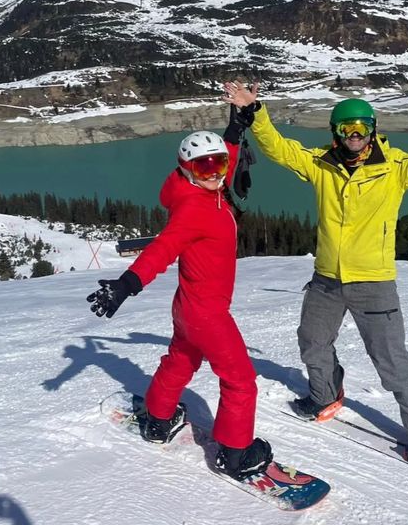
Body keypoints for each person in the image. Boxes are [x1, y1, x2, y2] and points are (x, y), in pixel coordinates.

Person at [222, 81, 408, 468]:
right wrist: (256, 113)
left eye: (361, 127)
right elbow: (280, 149)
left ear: (372, 130)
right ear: (335, 132)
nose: (354, 135)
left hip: (373, 280)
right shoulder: (321, 164)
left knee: (390, 359)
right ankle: (325, 394)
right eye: (346, 128)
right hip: (327, 278)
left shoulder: (395, 168)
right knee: (312, 341)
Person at [87, 119, 273, 481]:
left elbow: (221, 162)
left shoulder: (201, 188)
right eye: (204, 167)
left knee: (181, 360)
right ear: (187, 169)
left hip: (187, 308)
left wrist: (234, 130)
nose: (215, 173)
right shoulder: (194, 209)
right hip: (208, 314)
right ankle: (236, 454)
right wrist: (127, 284)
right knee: (240, 380)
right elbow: (162, 249)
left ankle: (159, 419)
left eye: (219, 164)